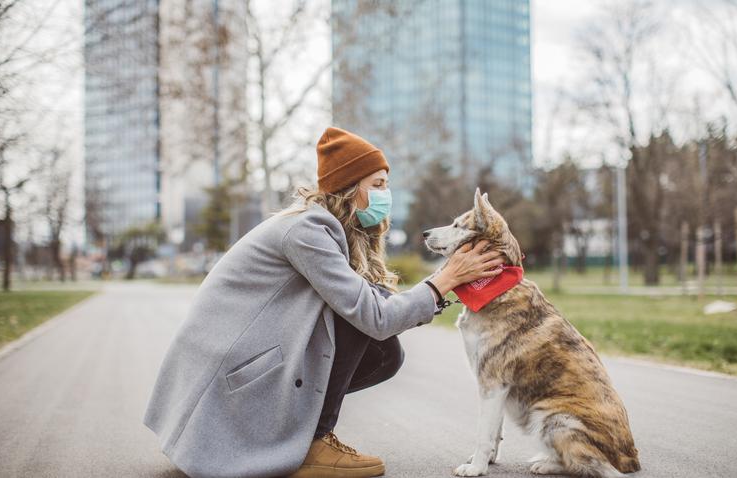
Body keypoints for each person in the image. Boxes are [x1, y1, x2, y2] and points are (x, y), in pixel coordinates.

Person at [143, 127, 504, 478]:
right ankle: (313, 442)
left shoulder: (324, 228)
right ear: (349, 189)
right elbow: (372, 315)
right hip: (222, 386)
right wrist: (444, 279)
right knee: (357, 319)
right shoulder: (307, 231)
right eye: (377, 185)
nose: (385, 195)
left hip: (237, 372)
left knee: (384, 353)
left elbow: (376, 306)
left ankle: (297, 433)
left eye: (386, 185)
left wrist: (449, 285)